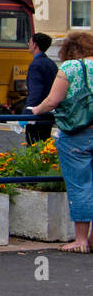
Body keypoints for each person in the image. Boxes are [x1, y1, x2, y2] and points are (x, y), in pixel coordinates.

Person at [27, 30, 93, 252]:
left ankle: (81, 240)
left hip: (77, 134)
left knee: (80, 185)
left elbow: (53, 101)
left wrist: (36, 110)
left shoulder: (70, 68)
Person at [24, 32, 57, 145]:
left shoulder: (35, 65)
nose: (28, 44)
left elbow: (35, 91)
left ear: (35, 45)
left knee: (33, 144)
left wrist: (27, 113)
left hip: (37, 112)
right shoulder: (51, 63)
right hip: (48, 111)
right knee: (44, 143)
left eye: (30, 41)